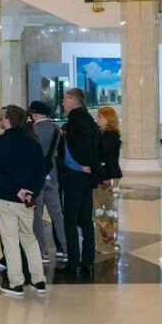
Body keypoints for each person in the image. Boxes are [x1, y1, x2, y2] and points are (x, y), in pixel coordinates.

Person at [0, 105, 48, 297]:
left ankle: (16, 282)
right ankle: (38, 280)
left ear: (7, 121)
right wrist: (30, 192)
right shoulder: (33, 143)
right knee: (29, 238)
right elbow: (40, 173)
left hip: (6, 198)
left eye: (1, 117)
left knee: (10, 240)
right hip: (27, 200)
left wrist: (17, 190)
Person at [59, 88, 101, 276]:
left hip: (75, 176)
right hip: (85, 176)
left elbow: (82, 145)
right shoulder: (88, 119)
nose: (63, 102)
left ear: (74, 100)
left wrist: (84, 163)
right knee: (85, 219)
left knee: (70, 220)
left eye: (65, 99)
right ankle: (87, 260)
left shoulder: (76, 119)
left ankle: (73, 262)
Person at [28, 101, 66, 263]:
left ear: (34, 114)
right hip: (52, 175)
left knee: (37, 215)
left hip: (36, 177)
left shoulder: (32, 130)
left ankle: (41, 250)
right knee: (57, 214)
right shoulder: (56, 129)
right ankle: (66, 248)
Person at [95, 107, 123, 251]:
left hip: (108, 177)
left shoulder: (110, 135)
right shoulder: (105, 134)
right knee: (104, 210)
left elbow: (99, 151)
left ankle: (106, 243)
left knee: (106, 211)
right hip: (105, 176)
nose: (97, 120)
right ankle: (105, 241)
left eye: (100, 117)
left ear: (108, 119)